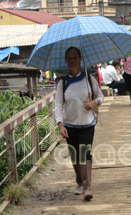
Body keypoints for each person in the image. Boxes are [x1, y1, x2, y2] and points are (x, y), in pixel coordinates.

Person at [55, 47, 104, 201]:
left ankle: (87, 186)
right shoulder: (62, 82)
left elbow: (101, 97)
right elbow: (58, 106)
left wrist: (93, 103)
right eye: (69, 57)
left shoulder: (89, 80)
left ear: (80, 59)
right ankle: (79, 181)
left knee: (85, 153)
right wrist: (60, 125)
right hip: (70, 125)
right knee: (75, 155)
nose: (72, 60)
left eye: (74, 57)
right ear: (66, 60)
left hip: (87, 123)